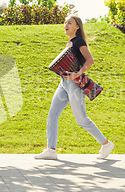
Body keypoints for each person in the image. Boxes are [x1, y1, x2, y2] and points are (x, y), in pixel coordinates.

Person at [35, 15, 114, 160]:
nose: (66, 24)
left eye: (69, 23)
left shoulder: (79, 41)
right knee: (52, 115)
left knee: (81, 119)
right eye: (65, 22)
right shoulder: (70, 42)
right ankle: (51, 150)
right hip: (64, 83)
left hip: (75, 84)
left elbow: (90, 60)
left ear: (77, 27)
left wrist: (77, 73)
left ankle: (106, 143)